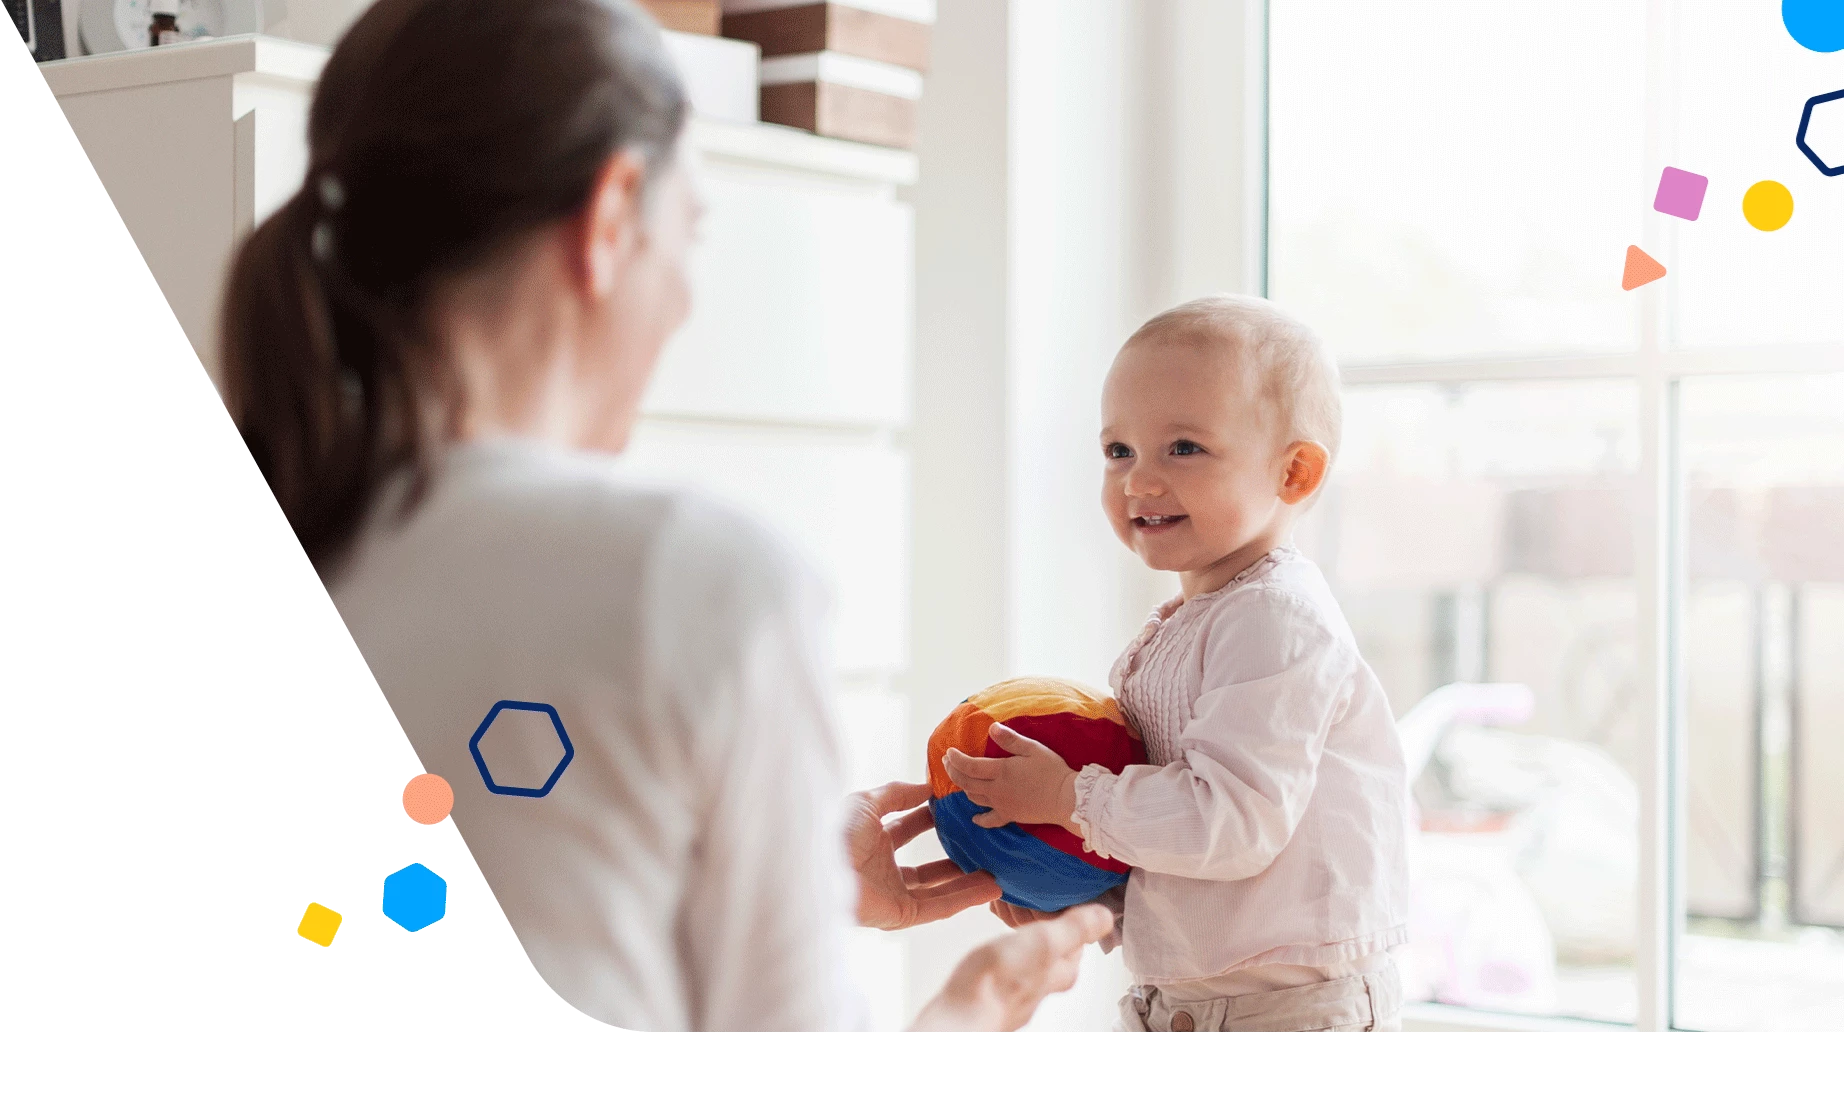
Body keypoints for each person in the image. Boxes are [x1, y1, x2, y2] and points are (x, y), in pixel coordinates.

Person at [217, 0, 1108, 1031]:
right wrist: (968, 1009)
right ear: (609, 219)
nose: (686, 300)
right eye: (687, 235)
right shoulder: (692, 577)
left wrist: (748, 872)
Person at [944, 295, 1411, 1032]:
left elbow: (1232, 823)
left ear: (1293, 474)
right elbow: (1195, 860)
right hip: (1195, 1002)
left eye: (1183, 448)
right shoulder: (1198, 622)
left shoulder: (1273, 622)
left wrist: (1072, 800)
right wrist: (1084, 892)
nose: (1138, 481)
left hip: (1284, 1013)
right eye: (1118, 451)